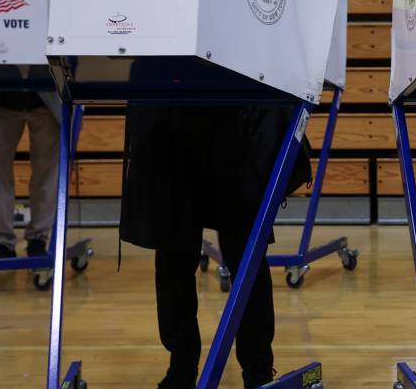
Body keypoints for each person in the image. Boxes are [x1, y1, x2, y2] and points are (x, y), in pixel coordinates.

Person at [122, 103, 311, 389]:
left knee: (247, 256)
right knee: (174, 258)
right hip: (173, 120)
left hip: (236, 120)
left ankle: (258, 371)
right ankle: (181, 366)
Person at [0, 87, 61, 259]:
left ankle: (38, 238)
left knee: (46, 172)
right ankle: (1, 242)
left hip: (46, 101)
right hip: (2, 101)